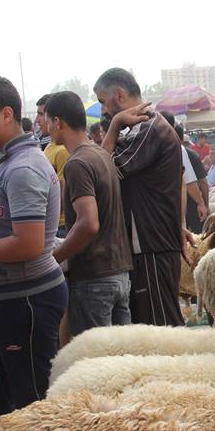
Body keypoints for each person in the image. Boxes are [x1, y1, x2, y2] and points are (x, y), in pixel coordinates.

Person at [0, 75, 67, 429]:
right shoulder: (5, 161)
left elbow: (29, 243)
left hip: (27, 300)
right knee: (2, 403)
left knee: (32, 406)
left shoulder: (23, 168)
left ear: (5, 114)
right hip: (9, 297)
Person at [94, 67, 185, 326]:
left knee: (161, 327)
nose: (103, 110)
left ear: (119, 96)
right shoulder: (141, 129)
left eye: (103, 102)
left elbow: (103, 171)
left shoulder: (149, 129)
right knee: (150, 325)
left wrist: (113, 127)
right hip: (147, 244)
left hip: (151, 244)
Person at [45, 91, 133, 337]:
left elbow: (88, 223)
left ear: (58, 122)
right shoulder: (101, 155)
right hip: (119, 273)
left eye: (47, 119)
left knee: (96, 365)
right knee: (121, 360)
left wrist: (55, 258)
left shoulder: (77, 164)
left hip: (94, 278)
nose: (46, 127)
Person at [35, 93, 70, 182]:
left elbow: (61, 192)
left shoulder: (62, 151)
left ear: (55, 118)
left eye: (41, 114)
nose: (37, 120)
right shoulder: (51, 145)